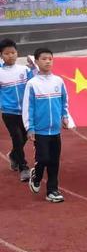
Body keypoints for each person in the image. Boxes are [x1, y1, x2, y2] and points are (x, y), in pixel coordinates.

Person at [23, 48, 70, 203]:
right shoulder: (32, 84)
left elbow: (64, 101)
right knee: (43, 158)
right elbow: (28, 107)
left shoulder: (58, 81)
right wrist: (30, 128)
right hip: (40, 131)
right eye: (44, 59)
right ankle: (36, 176)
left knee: (54, 161)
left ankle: (52, 190)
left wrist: (64, 116)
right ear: (36, 61)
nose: (48, 61)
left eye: (50, 58)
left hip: (55, 130)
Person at [0, 39, 35, 181]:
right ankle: (23, 168)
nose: (11, 56)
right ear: (1, 55)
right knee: (17, 137)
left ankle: (14, 155)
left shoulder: (24, 70)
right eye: (7, 53)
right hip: (9, 112)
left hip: (25, 112)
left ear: (17, 53)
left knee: (24, 137)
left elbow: (33, 86)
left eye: (13, 52)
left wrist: (34, 68)